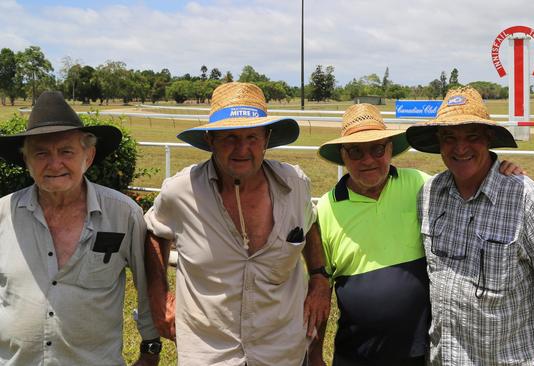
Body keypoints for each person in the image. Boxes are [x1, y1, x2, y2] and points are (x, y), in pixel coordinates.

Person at [309, 103, 522, 366]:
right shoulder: (327, 208)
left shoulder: (422, 185)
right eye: (355, 151)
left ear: (390, 150)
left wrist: (498, 170)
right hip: (355, 354)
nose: (368, 160)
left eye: (377, 149)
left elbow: (468, 184)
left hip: (421, 353)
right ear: (343, 155)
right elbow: (319, 291)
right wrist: (315, 355)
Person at [143, 82, 330, 365]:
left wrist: (319, 276)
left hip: (281, 349)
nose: (242, 149)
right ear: (210, 139)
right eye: (230, 137)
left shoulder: (295, 186)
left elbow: (309, 223)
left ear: (267, 138)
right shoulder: (181, 191)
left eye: (252, 137)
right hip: (210, 350)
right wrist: (159, 298)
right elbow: (155, 233)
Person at [406, 86, 534, 366]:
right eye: (449, 138)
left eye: (472, 136)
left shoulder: (526, 199)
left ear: (488, 139)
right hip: (442, 359)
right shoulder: (429, 194)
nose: (460, 148)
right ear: (439, 142)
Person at [0, 91, 160, 365]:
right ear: (27, 161)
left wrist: (150, 350)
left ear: (89, 155)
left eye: (66, 151)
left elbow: (147, 287)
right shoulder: (3, 214)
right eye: (41, 153)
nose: (54, 163)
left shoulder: (123, 214)